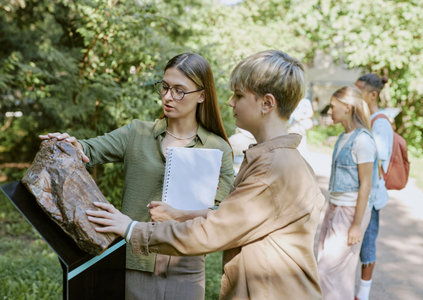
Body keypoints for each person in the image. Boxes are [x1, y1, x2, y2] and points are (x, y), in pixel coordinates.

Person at [86, 50, 326, 299]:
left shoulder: (272, 168)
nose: (231, 102)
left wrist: (132, 229)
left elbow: (213, 230)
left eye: (239, 95)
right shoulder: (277, 160)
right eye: (165, 87)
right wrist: (180, 214)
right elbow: (231, 216)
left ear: (267, 103)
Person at [39, 53, 235, 300]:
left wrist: (178, 213)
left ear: (202, 95)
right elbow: (89, 149)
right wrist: (71, 144)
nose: (167, 97)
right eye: (164, 87)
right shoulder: (137, 133)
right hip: (134, 260)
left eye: (179, 91)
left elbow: (221, 213)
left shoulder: (218, 148)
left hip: (186, 265)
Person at [317, 86, 376, 300]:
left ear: (348, 107)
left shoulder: (363, 141)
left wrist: (356, 224)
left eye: (333, 107)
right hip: (334, 207)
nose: (330, 111)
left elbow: (366, 184)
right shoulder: (343, 137)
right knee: (332, 271)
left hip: (350, 212)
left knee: (326, 270)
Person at [355, 74, 393, 300]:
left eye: (358, 91)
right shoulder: (365, 119)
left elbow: (378, 163)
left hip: (371, 197)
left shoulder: (380, 123)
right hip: (359, 194)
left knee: (367, 245)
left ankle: (363, 295)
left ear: (372, 95)